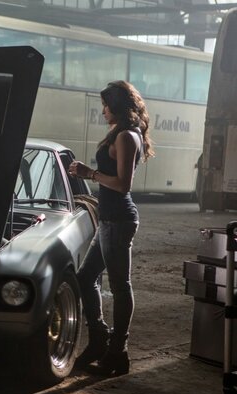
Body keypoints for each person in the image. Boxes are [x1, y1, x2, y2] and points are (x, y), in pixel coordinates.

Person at [68, 80, 154, 376]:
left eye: (106, 105)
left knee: (120, 286)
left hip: (119, 220)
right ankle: (100, 339)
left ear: (116, 105)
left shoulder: (127, 137)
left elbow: (122, 184)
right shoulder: (119, 133)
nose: (103, 110)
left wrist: (89, 173)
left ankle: (118, 351)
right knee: (86, 277)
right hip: (109, 219)